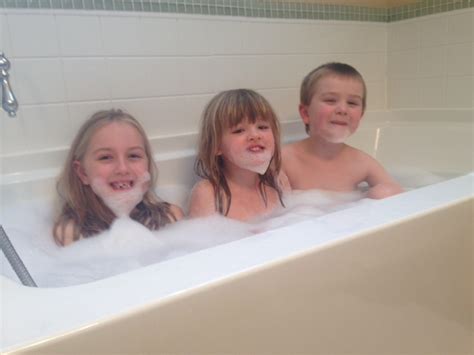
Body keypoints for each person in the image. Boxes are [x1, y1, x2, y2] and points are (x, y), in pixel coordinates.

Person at [53, 109, 183, 246]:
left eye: (133, 156)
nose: (123, 168)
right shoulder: (73, 235)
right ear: (83, 173)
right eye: (106, 157)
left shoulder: (170, 218)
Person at [283, 62, 402, 199]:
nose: (343, 110)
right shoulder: (285, 160)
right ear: (305, 114)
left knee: (386, 192)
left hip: (350, 219)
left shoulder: (361, 162)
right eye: (330, 100)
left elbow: (397, 194)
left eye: (352, 103)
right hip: (303, 218)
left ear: (361, 115)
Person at [189, 89, 290, 221]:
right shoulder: (208, 193)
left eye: (262, 127)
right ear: (217, 146)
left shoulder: (278, 180)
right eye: (239, 130)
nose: (255, 135)